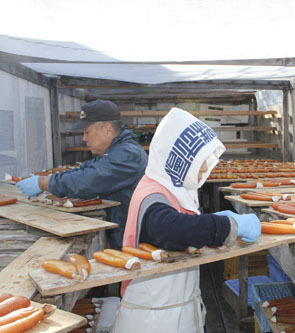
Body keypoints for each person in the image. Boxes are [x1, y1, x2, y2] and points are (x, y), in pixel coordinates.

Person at [112, 108, 261, 333]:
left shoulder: (170, 187)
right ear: (177, 157)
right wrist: (230, 226)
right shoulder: (153, 193)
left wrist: (213, 221)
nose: (204, 167)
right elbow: (172, 230)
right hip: (151, 320)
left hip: (174, 313)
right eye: (199, 159)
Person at [16, 99, 148, 249]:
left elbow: (90, 179)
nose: (84, 138)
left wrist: (44, 182)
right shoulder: (111, 152)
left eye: (87, 132)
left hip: (135, 239)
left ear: (107, 128)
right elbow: (84, 170)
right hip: (123, 231)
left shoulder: (127, 154)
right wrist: (54, 182)